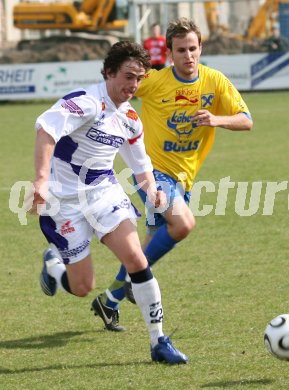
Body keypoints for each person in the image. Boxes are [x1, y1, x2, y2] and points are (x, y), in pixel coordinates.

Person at [91, 17, 253, 331]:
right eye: (181, 50)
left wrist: (216, 120)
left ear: (201, 48)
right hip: (153, 175)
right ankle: (125, 288)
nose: (188, 55)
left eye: (193, 48)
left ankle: (110, 299)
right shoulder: (153, 82)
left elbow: (246, 120)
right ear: (170, 53)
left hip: (184, 179)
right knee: (183, 223)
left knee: (149, 245)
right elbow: (116, 92)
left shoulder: (214, 81)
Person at [32, 41, 188, 364]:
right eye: (128, 76)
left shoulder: (131, 119)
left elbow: (141, 166)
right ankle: (53, 266)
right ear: (108, 72)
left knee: (136, 257)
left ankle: (158, 341)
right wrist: (41, 180)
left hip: (104, 192)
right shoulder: (87, 102)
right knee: (82, 286)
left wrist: (154, 190)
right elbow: (46, 129)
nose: (133, 85)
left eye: (139, 79)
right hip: (65, 200)